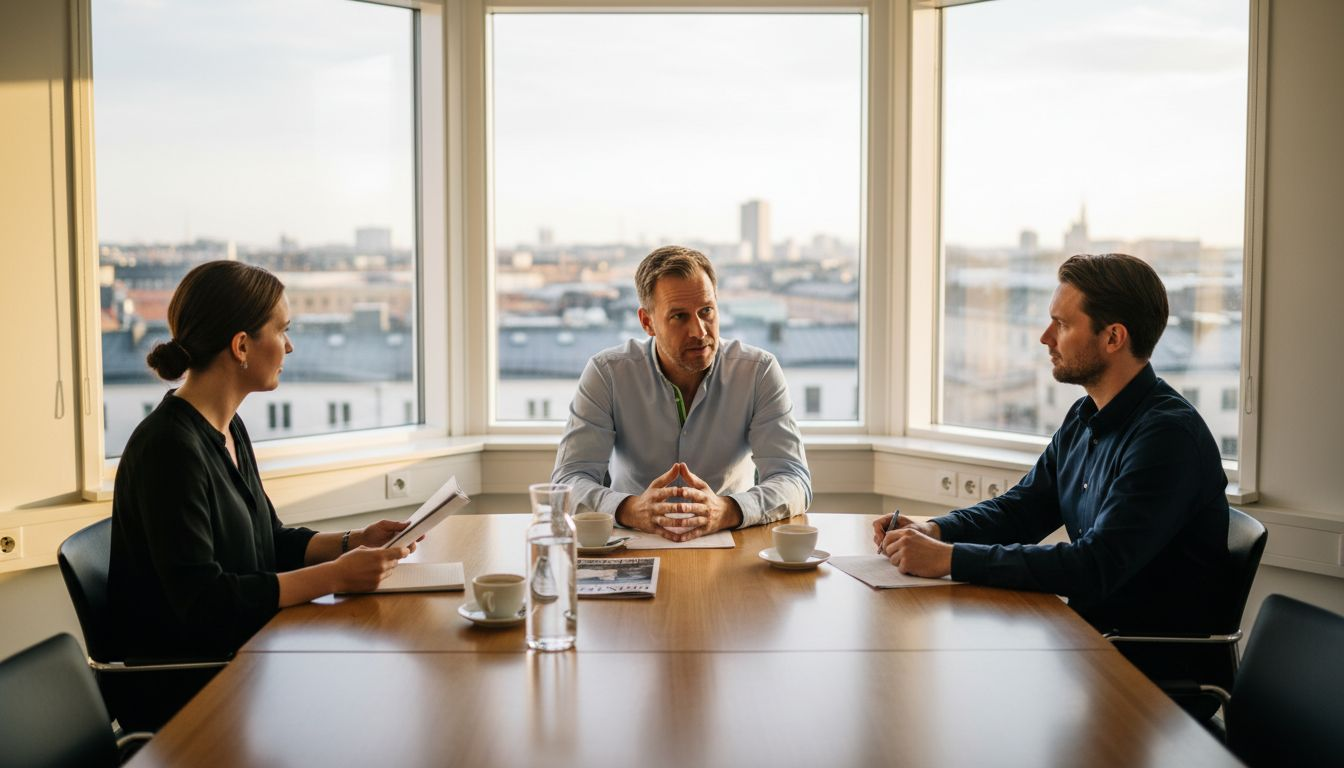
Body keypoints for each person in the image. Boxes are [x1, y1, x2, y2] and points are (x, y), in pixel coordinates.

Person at [873, 253, 1231, 638]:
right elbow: (1022, 510)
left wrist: (951, 559)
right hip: (1085, 637)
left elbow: (1094, 566)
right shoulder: (1084, 414)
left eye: (1061, 324)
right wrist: (936, 531)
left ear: (1113, 337)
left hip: (1142, 662)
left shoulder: (1167, 438)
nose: (1045, 337)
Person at [109, 261, 415, 670]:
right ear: (241, 346)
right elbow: (205, 602)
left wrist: (354, 541)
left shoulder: (228, 427)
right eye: (282, 330)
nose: (289, 347)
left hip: (250, 651)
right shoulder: (169, 450)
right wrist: (336, 576)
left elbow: (269, 540)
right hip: (194, 682)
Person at [553, 245, 812, 542]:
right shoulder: (607, 373)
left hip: (733, 544)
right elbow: (567, 482)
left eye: (706, 311)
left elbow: (794, 480)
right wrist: (629, 508)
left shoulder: (758, 372)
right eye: (679, 317)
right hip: (632, 543)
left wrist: (727, 509)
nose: (699, 331)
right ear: (647, 322)